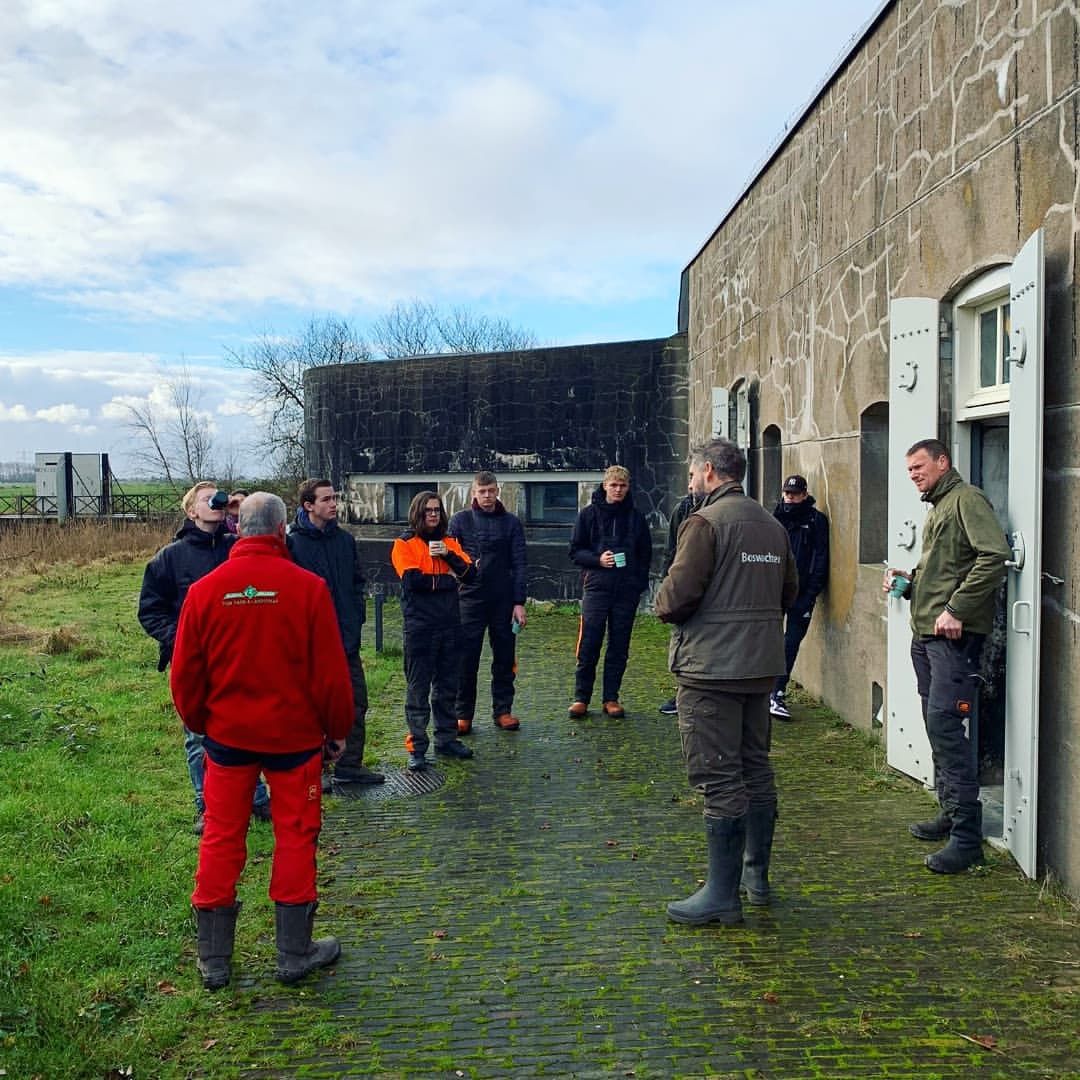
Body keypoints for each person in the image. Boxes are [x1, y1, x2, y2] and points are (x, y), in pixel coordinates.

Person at [171, 493, 354, 990]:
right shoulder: (307, 589)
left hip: (228, 740)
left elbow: (185, 676)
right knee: (295, 834)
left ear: (237, 527)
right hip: (293, 741)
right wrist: (336, 731)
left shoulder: (206, 591)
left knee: (220, 834)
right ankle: (294, 954)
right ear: (280, 531)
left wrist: (202, 724)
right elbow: (332, 676)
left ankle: (214, 962)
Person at [656, 438, 797, 926]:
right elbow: (790, 592)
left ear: (711, 472)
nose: (691, 482)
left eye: (694, 474)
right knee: (755, 767)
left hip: (710, 669)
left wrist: (661, 598)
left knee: (718, 777)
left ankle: (721, 893)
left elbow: (674, 598)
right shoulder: (771, 524)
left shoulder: (704, 523)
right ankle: (755, 878)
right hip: (759, 666)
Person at [884, 438, 1010, 874]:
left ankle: (967, 838)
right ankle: (949, 810)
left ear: (943, 461)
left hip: (953, 641)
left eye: (920, 466)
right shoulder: (939, 506)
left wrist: (956, 609)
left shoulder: (966, 499)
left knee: (945, 725)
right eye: (910, 470)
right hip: (926, 636)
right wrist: (909, 578)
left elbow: (993, 557)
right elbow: (946, 567)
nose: (914, 474)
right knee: (936, 725)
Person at [138, 481, 270, 834]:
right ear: (191, 511)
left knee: (247, 728)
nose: (215, 501)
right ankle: (206, 806)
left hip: (238, 658)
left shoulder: (237, 548)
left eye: (218, 496)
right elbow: (150, 611)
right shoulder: (170, 557)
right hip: (195, 663)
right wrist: (180, 641)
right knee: (198, 736)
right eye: (205, 498)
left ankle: (256, 798)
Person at [288, 479, 384, 786]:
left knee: (356, 701)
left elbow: (357, 582)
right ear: (308, 505)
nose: (334, 504)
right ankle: (317, 769)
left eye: (335, 498)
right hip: (310, 645)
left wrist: (356, 618)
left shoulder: (345, 540)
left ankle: (350, 765)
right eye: (327, 499)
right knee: (313, 708)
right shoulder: (292, 544)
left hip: (346, 640)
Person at [391, 491, 476, 770]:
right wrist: (450, 582)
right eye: (428, 510)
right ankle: (417, 747)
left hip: (450, 626)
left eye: (437, 510)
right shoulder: (404, 544)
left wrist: (450, 557)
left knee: (447, 689)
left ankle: (447, 739)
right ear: (417, 512)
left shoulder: (449, 542)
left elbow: (471, 575)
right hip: (420, 629)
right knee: (417, 691)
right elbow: (413, 581)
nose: (433, 514)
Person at [567, 465, 653, 718]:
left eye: (622, 486)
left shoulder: (636, 518)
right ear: (605, 485)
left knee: (619, 645)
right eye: (613, 485)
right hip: (596, 586)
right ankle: (581, 697)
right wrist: (597, 560)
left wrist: (638, 585)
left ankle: (611, 698)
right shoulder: (588, 515)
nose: (618, 490)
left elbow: (645, 555)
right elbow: (575, 551)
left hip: (626, 590)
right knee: (590, 643)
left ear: (628, 488)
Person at [447, 471, 528, 734]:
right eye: (482, 491)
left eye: (491, 490)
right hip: (468, 599)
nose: (487, 496)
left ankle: (503, 710)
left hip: (503, 600)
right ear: (473, 493)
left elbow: (519, 564)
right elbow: (448, 559)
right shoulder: (460, 521)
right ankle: (463, 715)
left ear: (498, 491)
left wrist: (519, 602)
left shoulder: (511, 523)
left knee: (504, 658)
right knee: (465, 659)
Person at [769, 475, 830, 720]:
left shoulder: (816, 521)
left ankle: (777, 692)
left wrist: (811, 593)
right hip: (775, 590)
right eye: (787, 493)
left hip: (803, 592)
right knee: (769, 640)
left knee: (790, 642)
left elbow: (821, 558)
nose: (790, 498)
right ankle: (766, 692)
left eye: (795, 494)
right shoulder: (775, 518)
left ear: (805, 494)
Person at [657, 483, 700, 716]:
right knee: (682, 640)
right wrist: (667, 583)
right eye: (690, 477)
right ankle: (683, 692)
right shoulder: (682, 509)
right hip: (684, 583)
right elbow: (670, 548)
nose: (692, 484)